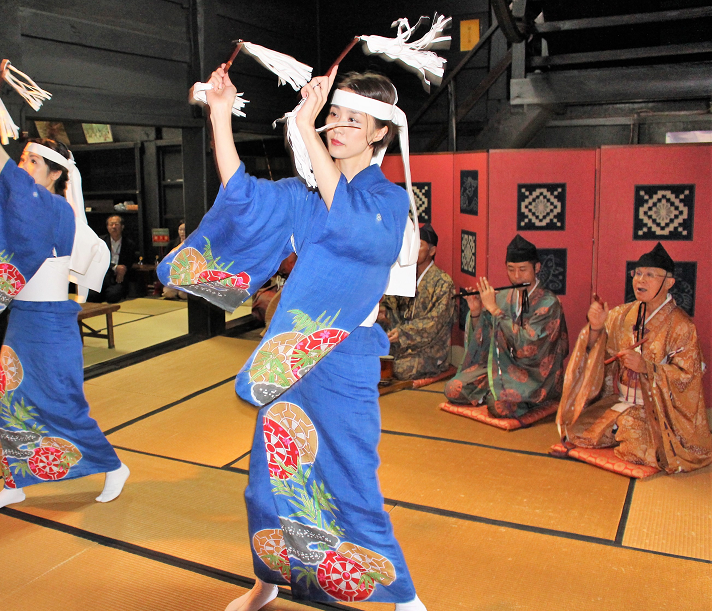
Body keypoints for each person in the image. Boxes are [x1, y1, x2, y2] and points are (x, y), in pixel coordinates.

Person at [158, 66, 426, 609]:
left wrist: (305, 128)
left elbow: (352, 229)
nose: (339, 125)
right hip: (291, 358)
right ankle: (269, 579)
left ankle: (402, 597)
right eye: (334, 115)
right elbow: (243, 198)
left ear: (379, 133)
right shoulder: (309, 198)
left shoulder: (389, 201)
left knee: (351, 480)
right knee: (267, 479)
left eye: (356, 119)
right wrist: (218, 115)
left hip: (345, 359)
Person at [0, 103, 129, 511]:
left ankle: (112, 465)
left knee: (62, 402)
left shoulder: (55, 209)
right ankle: (15, 481)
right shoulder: (20, 205)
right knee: (10, 401)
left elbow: (14, 188)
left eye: (32, 161)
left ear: (56, 173)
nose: (24, 166)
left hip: (51, 324)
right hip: (22, 322)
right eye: (23, 159)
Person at [556, 243, 711, 473]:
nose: (640, 280)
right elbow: (599, 358)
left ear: (669, 283)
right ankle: (620, 428)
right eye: (637, 273)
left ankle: (623, 430)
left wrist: (647, 367)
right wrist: (596, 330)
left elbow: (689, 378)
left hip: (657, 409)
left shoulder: (681, 327)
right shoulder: (621, 315)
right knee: (574, 429)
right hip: (621, 399)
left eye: (650, 275)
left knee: (641, 446)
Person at [444, 235, 569, 418]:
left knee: (499, 407)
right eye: (511, 270)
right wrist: (477, 311)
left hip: (533, 376)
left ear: (536, 268)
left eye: (522, 270)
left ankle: (525, 398)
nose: (516, 276)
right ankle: (495, 390)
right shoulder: (503, 297)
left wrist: (495, 310)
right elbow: (483, 342)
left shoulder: (549, 304)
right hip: (499, 366)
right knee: (453, 389)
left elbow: (528, 347)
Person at [379, 223, 455, 380]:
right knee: (370, 355)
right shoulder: (406, 277)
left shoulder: (443, 283)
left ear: (432, 251)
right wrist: (384, 315)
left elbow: (434, 323)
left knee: (399, 368)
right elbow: (393, 308)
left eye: (419, 246)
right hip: (402, 343)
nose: (413, 251)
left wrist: (403, 332)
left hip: (429, 348)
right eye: (412, 245)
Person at [87, 214, 136, 303]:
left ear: (122, 227)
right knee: (91, 296)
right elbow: (98, 260)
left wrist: (124, 268)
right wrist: (115, 267)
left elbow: (129, 262)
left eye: (116, 224)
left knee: (113, 296)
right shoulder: (100, 242)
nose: (114, 227)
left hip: (119, 278)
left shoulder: (129, 244)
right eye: (111, 224)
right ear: (107, 227)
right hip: (103, 276)